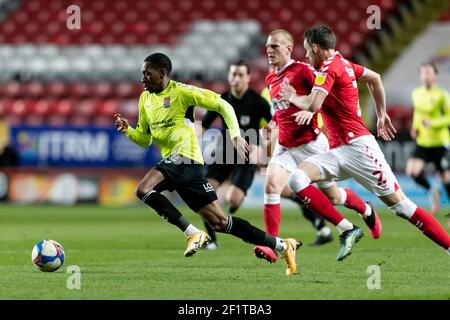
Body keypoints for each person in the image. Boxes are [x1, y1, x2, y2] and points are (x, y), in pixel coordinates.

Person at [114, 52, 301, 275]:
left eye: (147, 73)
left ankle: (192, 232)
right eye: (142, 73)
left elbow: (224, 106)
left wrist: (235, 136)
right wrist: (128, 131)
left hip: (185, 157)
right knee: (221, 223)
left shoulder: (182, 92)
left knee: (143, 189)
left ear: (162, 73)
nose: (142, 78)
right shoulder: (145, 99)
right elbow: (145, 140)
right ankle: (282, 245)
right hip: (180, 165)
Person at [280, 25, 450, 260]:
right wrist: (381, 114)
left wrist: (291, 97)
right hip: (338, 151)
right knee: (297, 178)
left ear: (317, 48)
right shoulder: (344, 63)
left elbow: (313, 105)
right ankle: (347, 229)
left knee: (403, 208)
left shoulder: (330, 68)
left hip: (360, 150)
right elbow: (375, 78)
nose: (307, 56)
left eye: (308, 51)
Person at [253, 29, 381, 263]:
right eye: (268, 47)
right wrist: (272, 124)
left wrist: (307, 111)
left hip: (311, 144)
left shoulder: (303, 70)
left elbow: (326, 99)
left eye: (275, 47)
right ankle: (272, 245)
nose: (269, 51)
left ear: (289, 49)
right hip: (285, 146)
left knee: (333, 197)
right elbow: (280, 110)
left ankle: (366, 209)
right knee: (271, 186)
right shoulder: (270, 78)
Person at [200, 60, 272, 249]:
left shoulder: (258, 102)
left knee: (234, 199)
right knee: (203, 193)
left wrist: (262, 147)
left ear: (248, 78)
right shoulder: (221, 100)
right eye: (233, 74)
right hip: (224, 151)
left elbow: (275, 125)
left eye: (240, 74)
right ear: (229, 77)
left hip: (247, 154)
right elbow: (204, 125)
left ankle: (226, 221)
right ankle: (211, 239)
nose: (236, 78)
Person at [406, 62, 450, 214]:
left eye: (429, 72)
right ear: (420, 75)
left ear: (435, 75)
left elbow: (449, 117)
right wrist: (415, 127)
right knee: (412, 171)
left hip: (439, 142)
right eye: (423, 72)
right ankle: (432, 190)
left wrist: (433, 123)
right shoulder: (416, 93)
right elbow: (418, 113)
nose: (426, 75)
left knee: (445, 178)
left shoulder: (442, 95)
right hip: (423, 141)